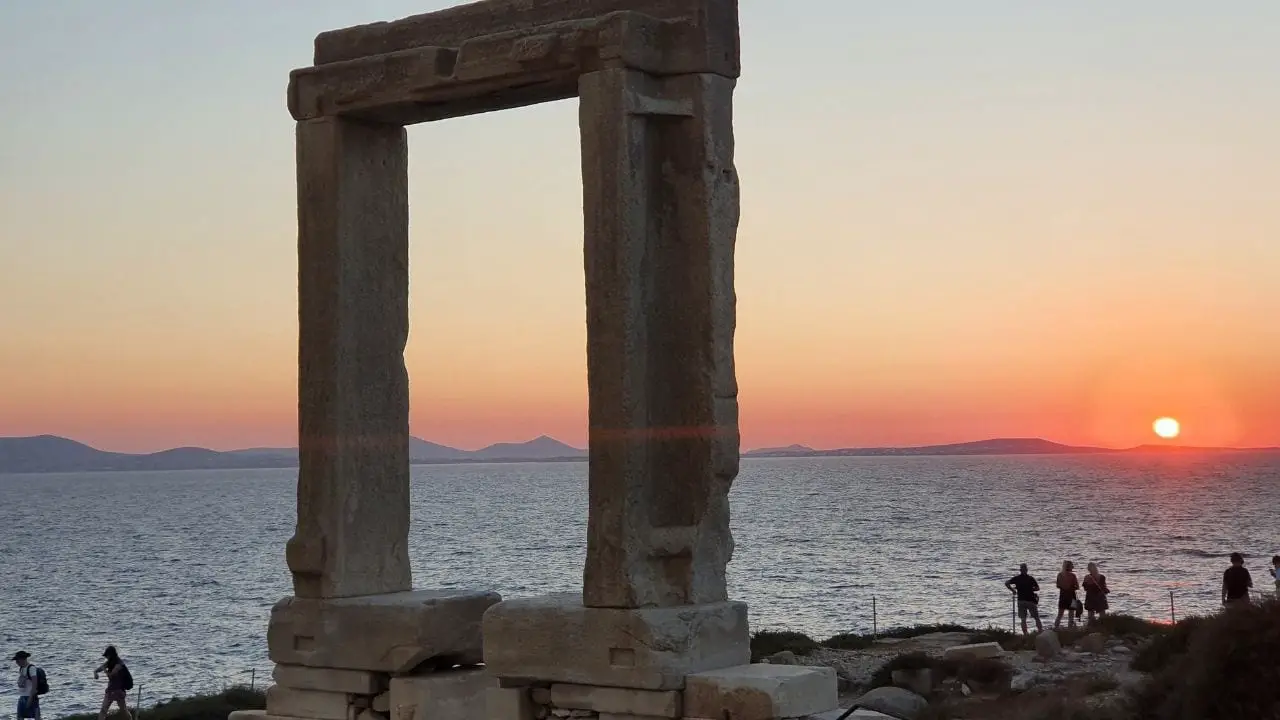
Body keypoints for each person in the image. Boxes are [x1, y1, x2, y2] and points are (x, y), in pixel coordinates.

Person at [93, 646, 132, 720]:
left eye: (107, 655)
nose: (106, 657)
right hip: (110, 690)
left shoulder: (119, 664)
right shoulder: (109, 662)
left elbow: (111, 676)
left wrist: (105, 670)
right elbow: (101, 667)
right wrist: (95, 672)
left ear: (111, 655)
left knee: (123, 710)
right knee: (103, 710)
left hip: (119, 690)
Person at [1005, 563, 1043, 635]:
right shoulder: (1031, 578)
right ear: (1027, 570)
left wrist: (1013, 590)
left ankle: (1025, 634)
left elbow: (1006, 583)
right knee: (1036, 617)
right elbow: (1037, 588)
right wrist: (1031, 589)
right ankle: (1040, 631)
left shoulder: (1017, 578)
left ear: (1020, 570)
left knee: (1023, 619)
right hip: (1031, 600)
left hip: (1021, 600)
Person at [12, 651, 41, 720]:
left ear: (23, 659)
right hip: (22, 696)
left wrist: (30, 699)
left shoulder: (31, 668)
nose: (16, 662)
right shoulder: (22, 669)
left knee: (36, 717)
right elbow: (21, 683)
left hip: (31, 697)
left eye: (17, 660)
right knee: (20, 717)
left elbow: (35, 685)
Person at [1054, 560, 1080, 629]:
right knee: (1071, 615)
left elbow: (1057, 585)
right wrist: (1071, 587)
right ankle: (1070, 629)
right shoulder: (1073, 576)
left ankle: (1055, 628)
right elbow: (1077, 587)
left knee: (1060, 615)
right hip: (1072, 597)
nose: (1073, 567)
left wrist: (1064, 587)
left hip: (1063, 597)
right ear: (1069, 567)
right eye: (1072, 566)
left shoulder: (1060, 575)